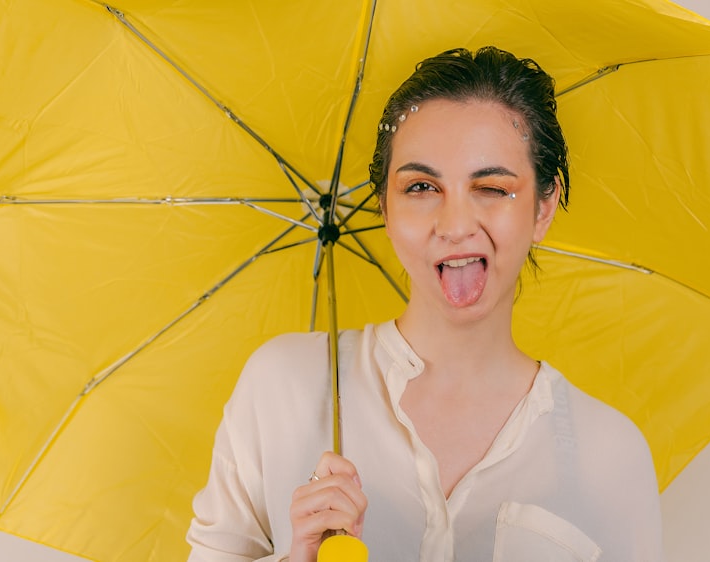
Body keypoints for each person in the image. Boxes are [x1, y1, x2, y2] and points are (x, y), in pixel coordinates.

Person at [186, 46, 663, 561]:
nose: (455, 225)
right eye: (420, 186)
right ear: (385, 208)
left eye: (493, 187)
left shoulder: (610, 455)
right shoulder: (283, 388)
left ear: (544, 206)